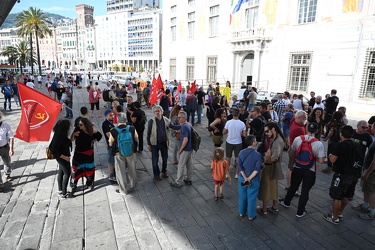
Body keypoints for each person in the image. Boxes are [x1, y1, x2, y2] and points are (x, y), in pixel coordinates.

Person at [278, 123, 325, 217]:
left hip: (298, 167)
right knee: (305, 191)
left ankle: (286, 202)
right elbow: (321, 161)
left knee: (293, 186)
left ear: (306, 128)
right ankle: (300, 211)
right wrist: (314, 157)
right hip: (310, 170)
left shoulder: (298, 139)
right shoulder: (319, 144)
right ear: (317, 131)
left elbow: (293, 152)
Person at [324, 125, 362, 224]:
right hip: (354, 174)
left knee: (337, 196)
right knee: (346, 195)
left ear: (341, 134)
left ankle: (334, 217)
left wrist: (330, 155)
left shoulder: (341, 145)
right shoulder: (356, 145)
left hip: (342, 174)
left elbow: (333, 160)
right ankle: (339, 212)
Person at [257, 122, 286, 216]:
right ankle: (275, 207)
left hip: (269, 167)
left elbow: (275, 157)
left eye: (267, 131)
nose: (266, 133)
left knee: (265, 188)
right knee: (273, 187)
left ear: (273, 129)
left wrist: (265, 159)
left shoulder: (277, 141)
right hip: (274, 167)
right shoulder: (277, 138)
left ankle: (264, 209)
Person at [147, 105, 179, 180]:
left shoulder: (166, 120)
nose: (157, 112)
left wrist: (183, 125)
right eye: (155, 111)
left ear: (162, 112)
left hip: (164, 143)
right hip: (155, 143)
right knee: (155, 160)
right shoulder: (151, 121)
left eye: (158, 111)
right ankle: (156, 174)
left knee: (165, 158)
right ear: (153, 113)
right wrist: (149, 144)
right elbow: (148, 134)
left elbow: (173, 126)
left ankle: (164, 171)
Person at [70, 118, 102, 194]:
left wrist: (94, 140)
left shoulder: (91, 130)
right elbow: (71, 139)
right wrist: (73, 135)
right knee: (76, 169)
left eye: (81, 124)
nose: (79, 126)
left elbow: (100, 136)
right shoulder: (77, 129)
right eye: (79, 124)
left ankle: (90, 182)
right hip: (78, 153)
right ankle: (74, 184)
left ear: (85, 125)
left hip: (88, 154)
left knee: (89, 168)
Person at [109, 112, 138, 195]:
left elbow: (111, 143)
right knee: (132, 169)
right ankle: (133, 184)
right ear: (126, 119)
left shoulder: (113, 131)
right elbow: (136, 139)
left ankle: (123, 190)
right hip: (131, 152)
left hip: (119, 154)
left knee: (120, 172)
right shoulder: (132, 128)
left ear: (117, 120)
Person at [354, 123, 375, 219]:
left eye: (370, 127)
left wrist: (367, 173)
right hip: (367, 169)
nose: (369, 129)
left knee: (371, 191)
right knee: (366, 188)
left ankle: (372, 212)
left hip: (372, 172)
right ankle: (366, 205)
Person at [237, 135, 261, 220]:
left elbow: (240, 166)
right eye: (255, 141)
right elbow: (257, 169)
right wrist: (249, 178)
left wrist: (245, 177)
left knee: (242, 195)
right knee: (252, 197)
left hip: (242, 178)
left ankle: (241, 212)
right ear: (253, 142)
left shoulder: (241, 152)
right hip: (254, 179)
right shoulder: (257, 155)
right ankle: (251, 215)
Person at [49, 119, 72, 199]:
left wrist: (73, 136)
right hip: (62, 157)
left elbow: (66, 141)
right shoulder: (58, 136)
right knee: (67, 173)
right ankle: (64, 193)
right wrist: (65, 157)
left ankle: (60, 190)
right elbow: (52, 149)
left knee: (61, 172)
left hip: (63, 157)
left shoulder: (60, 134)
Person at [170, 111, 193, 187]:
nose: (178, 119)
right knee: (189, 164)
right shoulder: (188, 124)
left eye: (179, 117)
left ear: (184, 118)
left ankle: (178, 181)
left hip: (185, 149)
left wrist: (180, 149)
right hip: (190, 148)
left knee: (181, 165)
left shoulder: (184, 126)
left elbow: (185, 139)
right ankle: (188, 179)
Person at [223, 108, 247, 179]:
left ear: (232, 114)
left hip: (229, 141)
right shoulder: (242, 123)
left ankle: (227, 173)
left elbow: (224, 132)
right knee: (237, 158)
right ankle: (237, 173)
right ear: (239, 114)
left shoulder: (228, 122)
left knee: (228, 158)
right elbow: (244, 135)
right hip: (238, 142)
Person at [0, 112, 14, 192]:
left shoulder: (5, 126)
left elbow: (11, 137)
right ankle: (0, 184)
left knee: (7, 163)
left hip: (4, 148)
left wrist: (11, 149)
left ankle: (7, 174)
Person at [102, 109, 116, 182]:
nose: (112, 116)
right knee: (111, 159)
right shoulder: (105, 124)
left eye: (113, 115)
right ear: (106, 116)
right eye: (110, 115)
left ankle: (115, 171)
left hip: (116, 144)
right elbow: (108, 135)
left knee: (115, 159)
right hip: (111, 144)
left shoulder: (113, 122)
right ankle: (111, 174)